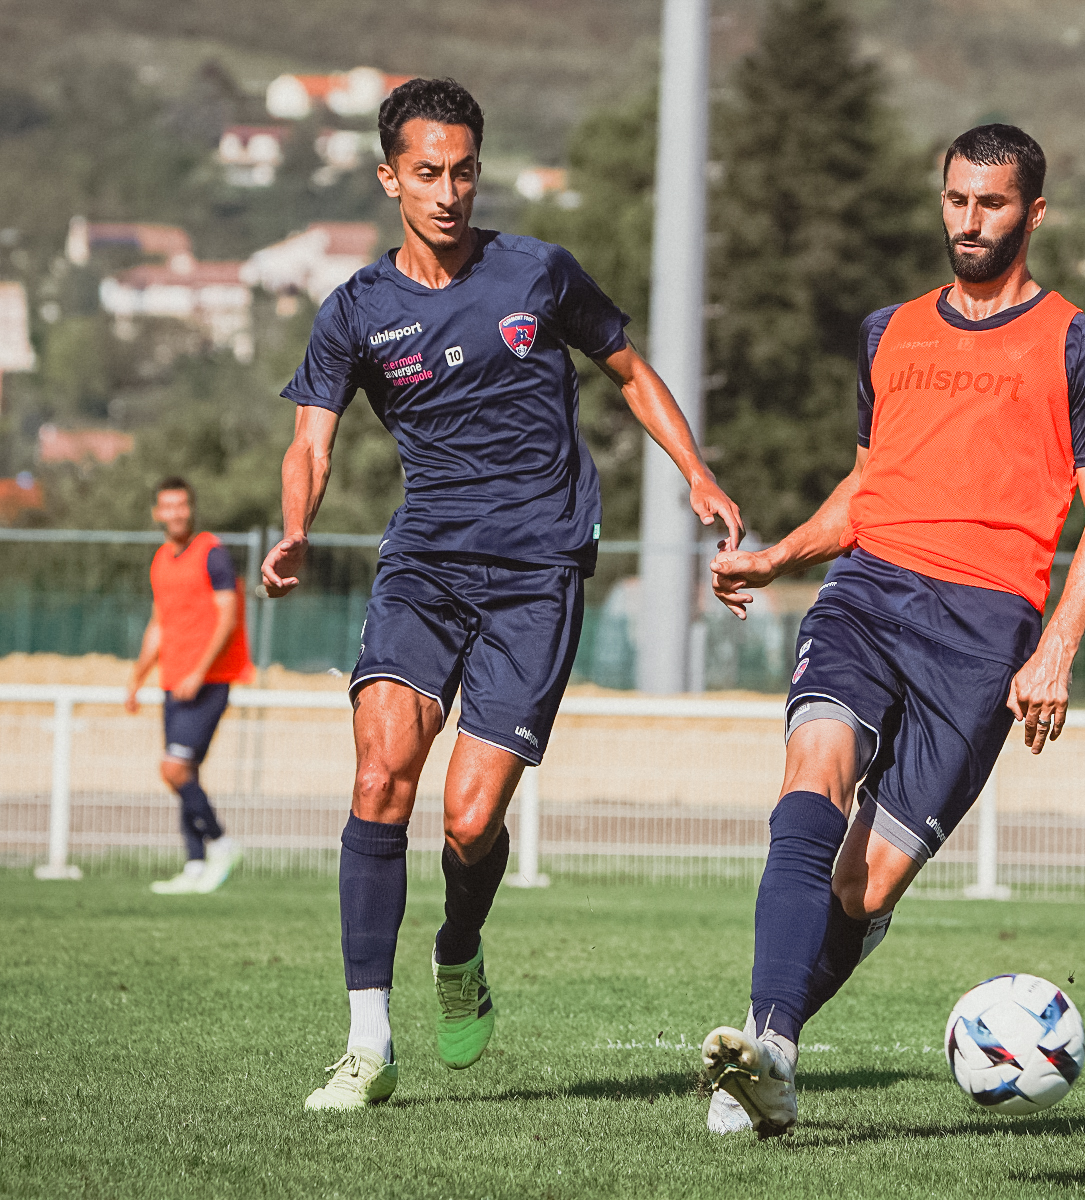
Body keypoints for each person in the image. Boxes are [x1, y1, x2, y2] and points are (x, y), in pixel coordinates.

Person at [264, 78, 742, 1110]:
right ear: (390, 176)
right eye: (427, 173)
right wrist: (295, 527)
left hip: (538, 571)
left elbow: (628, 366)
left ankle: (460, 946)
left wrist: (695, 473)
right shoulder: (355, 311)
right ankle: (367, 1045)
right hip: (425, 565)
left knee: (470, 822)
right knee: (380, 775)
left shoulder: (539, 273)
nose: (448, 191)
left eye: (464, 170)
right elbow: (313, 437)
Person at [699, 124, 1085, 1137]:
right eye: (954, 199)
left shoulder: (1078, 345)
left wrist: (1056, 647)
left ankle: (775, 1050)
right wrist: (779, 556)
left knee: (868, 880)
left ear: (1032, 212)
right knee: (812, 771)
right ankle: (766, 1046)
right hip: (866, 594)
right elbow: (868, 487)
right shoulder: (886, 331)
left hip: (984, 633)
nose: (967, 220)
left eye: (990, 203)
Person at [125, 477, 251, 895]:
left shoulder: (212, 553)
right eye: (168, 506)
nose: (175, 512)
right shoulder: (161, 559)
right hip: (173, 682)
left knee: (173, 768)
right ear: (157, 512)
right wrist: (136, 678)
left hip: (209, 681)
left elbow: (227, 615)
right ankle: (196, 864)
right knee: (185, 772)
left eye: (182, 505)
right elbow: (159, 625)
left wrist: (199, 670)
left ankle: (221, 843)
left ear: (191, 508)